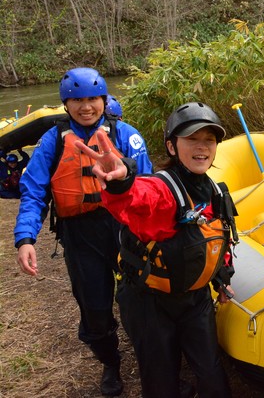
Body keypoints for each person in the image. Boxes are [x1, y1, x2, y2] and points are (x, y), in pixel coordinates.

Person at [77, 101, 237, 398]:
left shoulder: (214, 190)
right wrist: (122, 180)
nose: (202, 147)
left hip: (195, 298)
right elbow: (134, 198)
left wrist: (221, 276)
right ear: (172, 146)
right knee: (161, 380)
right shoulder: (162, 190)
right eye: (192, 139)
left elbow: (217, 240)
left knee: (211, 372)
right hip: (149, 301)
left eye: (209, 140)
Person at [14, 67, 152, 397]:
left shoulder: (126, 135)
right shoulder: (52, 141)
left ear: (104, 100)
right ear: (65, 104)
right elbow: (33, 191)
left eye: (92, 98)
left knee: (145, 301)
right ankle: (110, 362)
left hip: (124, 228)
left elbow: (149, 185)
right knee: (95, 308)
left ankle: (154, 362)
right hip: (80, 234)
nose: (85, 106)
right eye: (76, 100)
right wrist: (25, 238)